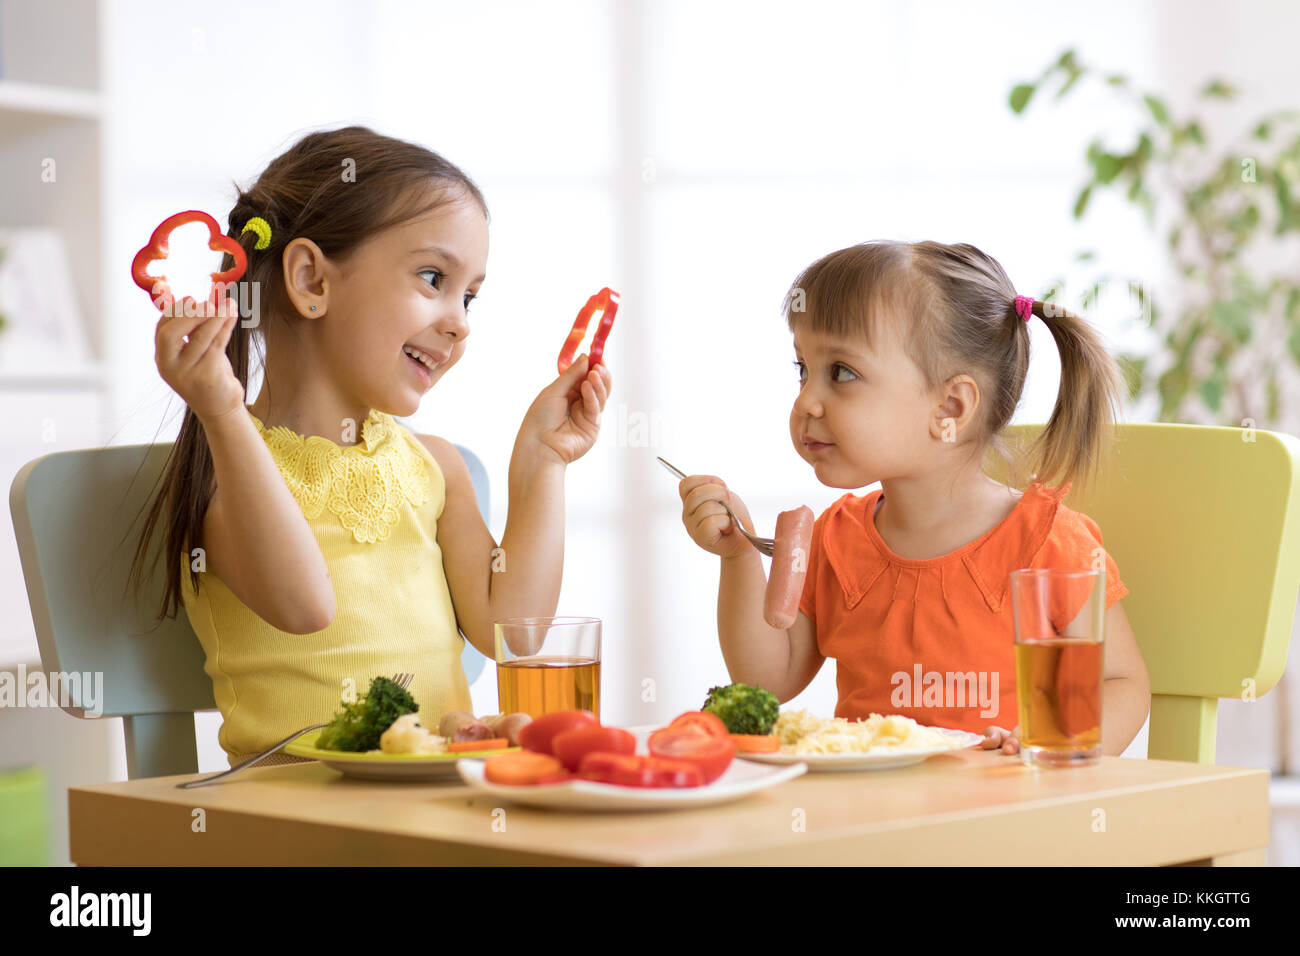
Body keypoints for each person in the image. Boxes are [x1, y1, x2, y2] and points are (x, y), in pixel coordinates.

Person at [130, 127, 612, 767]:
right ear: (311, 281)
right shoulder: (230, 473)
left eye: (470, 296)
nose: (460, 320)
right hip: (297, 823)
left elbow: (512, 631)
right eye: (434, 278)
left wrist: (543, 460)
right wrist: (221, 410)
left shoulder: (436, 467)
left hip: (433, 810)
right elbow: (305, 606)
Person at [676, 240, 1149, 756]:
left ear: (950, 406)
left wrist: (1054, 747)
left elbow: (1121, 683)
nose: (806, 400)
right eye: (803, 370)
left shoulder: (1048, 544)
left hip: (1001, 817)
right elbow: (769, 679)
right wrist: (738, 557)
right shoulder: (837, 539)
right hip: (868, 820)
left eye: (842, 372)